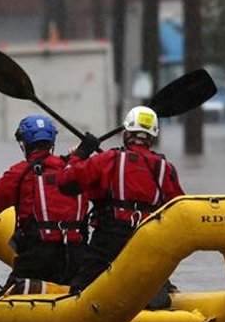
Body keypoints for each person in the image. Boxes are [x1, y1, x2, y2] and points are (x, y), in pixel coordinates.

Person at [59, 106, 185, 309]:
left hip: (109, 240)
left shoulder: (108, 159)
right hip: (149, 239)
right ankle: (160, 297)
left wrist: (79, 155)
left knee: (79, 293)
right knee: (153, 284)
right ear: (151, 138)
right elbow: (180, 211)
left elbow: (65, 182)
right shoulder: (165, 168)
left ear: (126, 134)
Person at [0, 115, 89, 292]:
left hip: (37, 257)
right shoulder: (75, 169)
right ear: (51, 142)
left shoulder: (20, 172)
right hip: (76, 256)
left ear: (24, 143)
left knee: (8, 297)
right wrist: (82, 154)